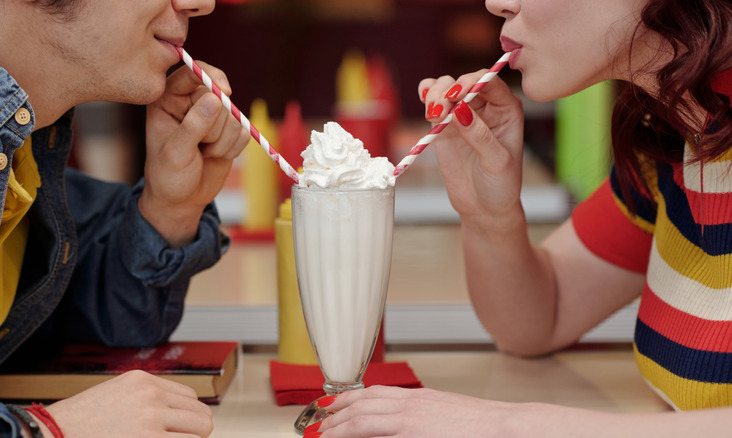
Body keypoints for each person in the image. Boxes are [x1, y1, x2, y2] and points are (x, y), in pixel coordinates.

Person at [308, 0, 732, 436]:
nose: (496, 3)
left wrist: (512, 425)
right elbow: (538, 320)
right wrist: (489, 214)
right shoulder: (671, 138)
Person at [0, 0, 250, 436]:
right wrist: (48, 428)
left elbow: (91, 316)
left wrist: (169, 210)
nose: (200, 3)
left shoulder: (25, 142)